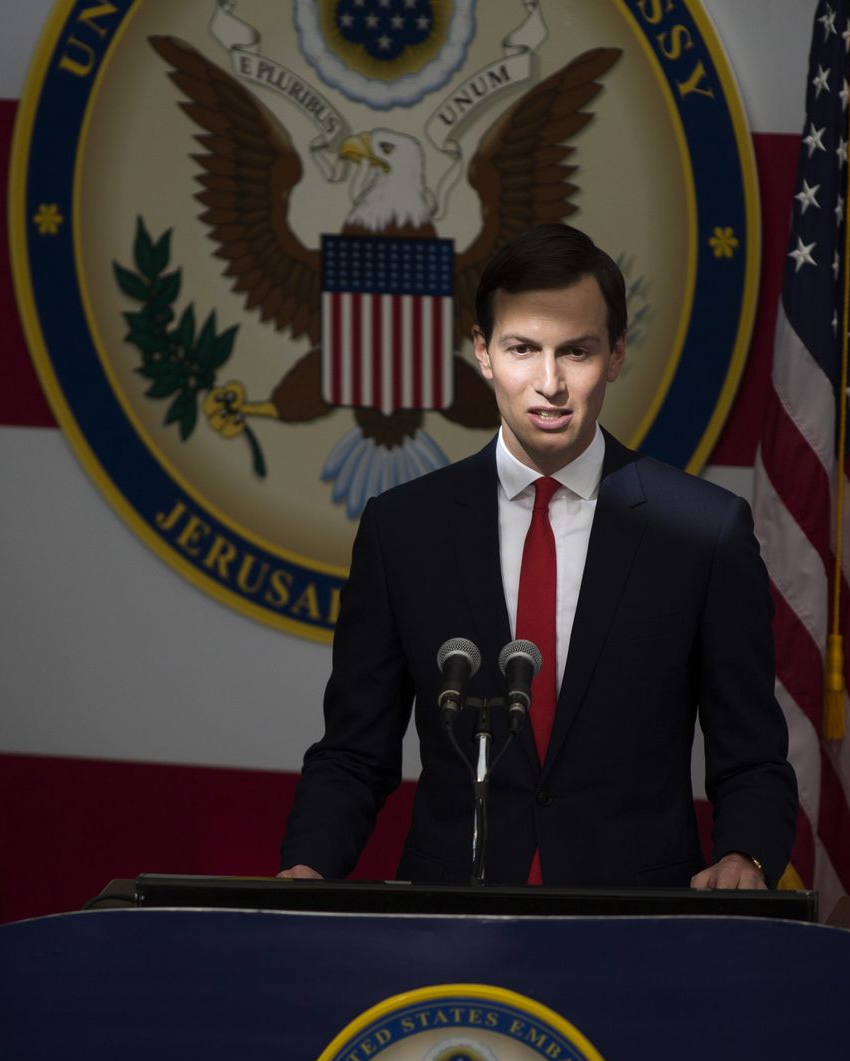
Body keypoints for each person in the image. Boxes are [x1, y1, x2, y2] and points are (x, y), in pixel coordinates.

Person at [279, 224, 797, 889]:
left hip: (636, 916)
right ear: (482, 352)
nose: (549, 383)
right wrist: (307, 866)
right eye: (522, 348)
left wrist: (746, 856)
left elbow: (751, 756)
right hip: (452, 917)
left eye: (576, 351)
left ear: (615, 355)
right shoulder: (403, 528)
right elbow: (354, 750)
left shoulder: (704, 532)